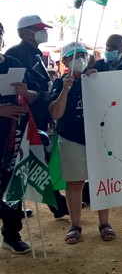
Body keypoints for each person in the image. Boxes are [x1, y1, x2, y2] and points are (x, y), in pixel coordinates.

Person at [49, 42, 116, 244]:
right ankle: (75, 225)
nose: (81, 59)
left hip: (98, 139)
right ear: (65, 61)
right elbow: (55, 113)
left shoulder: (97, 78)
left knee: (101, 181)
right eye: (76, 56)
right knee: (75, 183)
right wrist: (66, 90)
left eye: (84, 55)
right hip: (71, 139)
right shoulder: (61, 83)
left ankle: (104, 223)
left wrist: (98, 82)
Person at [6, 15, 69, 218]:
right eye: (38, 28)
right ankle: (55, 205)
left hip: (40, 115)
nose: (44, 32)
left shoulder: (35, 54)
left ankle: (54, 204)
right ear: (25, 32)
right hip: (24, 120)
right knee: (30, 161)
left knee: (38, 160)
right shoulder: (15, 54)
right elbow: (23, 91)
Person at [0, 21, 39, 254]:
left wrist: (26, 92)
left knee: (12, 187)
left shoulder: (14, 64)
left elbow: (35, 95)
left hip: (14, 137)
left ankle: (12, 235)